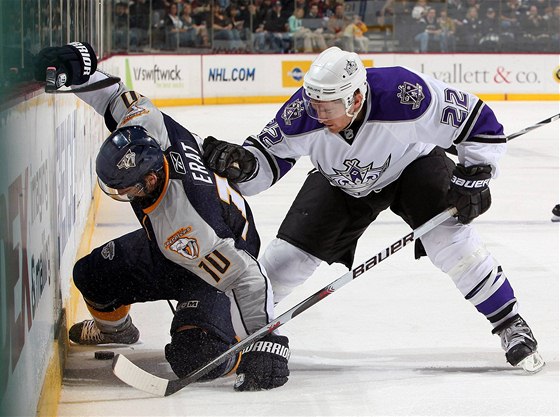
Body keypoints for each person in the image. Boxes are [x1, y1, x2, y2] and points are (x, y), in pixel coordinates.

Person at [202, 46, 545, 373]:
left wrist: (475, 175)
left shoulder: (405, 94)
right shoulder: (303, 113)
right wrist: (243, 166)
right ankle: (221, 328)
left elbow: (477, 121)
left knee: (453, 245)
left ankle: (510, 324)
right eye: (314, 104)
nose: (318, 115)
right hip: (341, 182)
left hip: (414, 166)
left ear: (355, 98)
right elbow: (265, 161)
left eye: (328, 106)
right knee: (283, 262)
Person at [32, 41, 290, 391]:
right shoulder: (147, 123)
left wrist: (266, 343)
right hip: (176, 244)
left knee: (194, 358)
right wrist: (79, 72)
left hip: (216, 256)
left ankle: (235, 348)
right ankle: (118, 331)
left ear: (151, 178)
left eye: (128, 189)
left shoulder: (185, 225)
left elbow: (245, 276)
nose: (123, 195)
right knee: (91, 275)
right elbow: (115, 98)